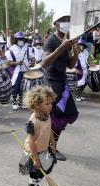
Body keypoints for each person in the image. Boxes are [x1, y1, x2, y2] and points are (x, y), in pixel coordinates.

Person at [41, 11, 81, 161]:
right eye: (63, 20)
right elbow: (44, 63)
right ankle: (50, 149)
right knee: (56, 117)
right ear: (55, 24)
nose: (66, 22)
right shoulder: (51, 40)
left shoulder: (68, 39)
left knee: (66, 114)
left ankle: (50, 147)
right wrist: (62, 47)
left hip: (62, 82)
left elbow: (69, 64)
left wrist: (75, 54)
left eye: (68, 19)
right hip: (51, 83)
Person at [20, 85, 57, 186]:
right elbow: (31, 142)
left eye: (51, 103)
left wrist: (52, 143)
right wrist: (35, 159)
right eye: (47, 103)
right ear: (36, 104)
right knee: (36, 173)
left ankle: (33, 184)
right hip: (34, 152)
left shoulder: (46, 115)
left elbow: (50, 129)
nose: (51, 106)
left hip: (43, 150)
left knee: (44, 171)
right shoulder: (33, 122)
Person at [5, 31, 35, 110]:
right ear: (15, 40)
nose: (21, 40)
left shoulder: (27, 47)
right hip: (16, 71)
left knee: (24, 87)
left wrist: (32, 62)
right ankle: (14, 102)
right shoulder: (11, 49)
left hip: (26, 70)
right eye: (19, 39)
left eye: (22, 39)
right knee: (15, 87)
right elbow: (7, 62)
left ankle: (21, 102)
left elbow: (32, 57)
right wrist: (16, 63)